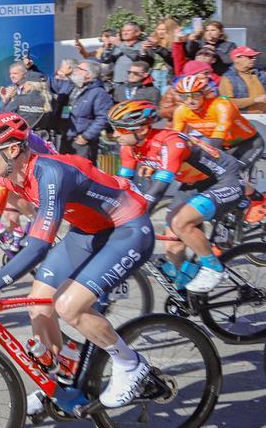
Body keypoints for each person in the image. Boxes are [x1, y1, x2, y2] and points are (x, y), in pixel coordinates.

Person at [0, 113, 155, 410]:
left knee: (68, 306)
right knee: (38, 304)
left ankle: (130, 364)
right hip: (87, 232)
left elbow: (36, 248)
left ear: (11, 150)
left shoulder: (50, 174)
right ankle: (61, 381)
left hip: (127, 228)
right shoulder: (3, 176)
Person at [109, 100, 240, 293]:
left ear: (142, 130)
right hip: (194, 185)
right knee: (172, 246)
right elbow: (122, 185)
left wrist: (133, 219)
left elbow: (159, 189)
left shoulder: (170, 142)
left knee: (180, 223)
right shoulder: (129, 147)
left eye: (120, 130)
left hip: (225, 180)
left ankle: (214, 268)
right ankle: (186, 281)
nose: (115, 135)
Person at [172, 73, 265, 186]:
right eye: (184, 96)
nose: (190, 101)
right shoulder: (181, 111)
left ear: (204, 93)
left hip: (249, 143)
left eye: (195, 95)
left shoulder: (221, 105)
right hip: (226, 146)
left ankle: (254, 199)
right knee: (214, 177)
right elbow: (176, 138)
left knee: (233, 173)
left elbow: (218, 136)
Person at [62, 60, 113, 161]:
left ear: (88, 75)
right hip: (66, 138)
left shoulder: (99, 92)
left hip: (82, 142)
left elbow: (103, 117)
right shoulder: (73, 88)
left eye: (80, 69)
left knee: (82, 174)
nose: (75, 70)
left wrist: (85, 137)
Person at [218, 46, 266, 113]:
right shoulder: (227, 78)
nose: (254, 59)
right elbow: (227, 102)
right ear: (236, 59)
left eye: (254, 57)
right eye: (250, 57)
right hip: (244, 118)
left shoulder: (261, 73)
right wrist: (255, 100)